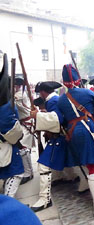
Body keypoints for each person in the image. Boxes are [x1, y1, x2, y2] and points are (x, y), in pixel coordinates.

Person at [30, 64, 94, 219]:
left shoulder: (61, 99)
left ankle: (85, 186)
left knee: (85, 162)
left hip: (72, 133)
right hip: (87, 130)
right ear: (77, 79)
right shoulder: (86, 93)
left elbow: (61, 119)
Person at [30, 81, 67, 212]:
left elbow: (58, 119)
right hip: (62, 136)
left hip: (60, 137)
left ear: (43, 92)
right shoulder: (55, 100)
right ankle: (72, 179)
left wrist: (38, 115)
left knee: (44, 165)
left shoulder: (52, 101)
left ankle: (45, 199)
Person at [0, 53, 24, 197]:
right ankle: (9, 205)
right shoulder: (5, 107)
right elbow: (11, 132)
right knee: (16, 173)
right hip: (6, 143)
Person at [14, 74, 35, 185]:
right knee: (24, 149)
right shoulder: (19, 94)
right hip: (24, 123)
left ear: (18, 86)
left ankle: (28, 173)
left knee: (24, 149)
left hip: (26, 123)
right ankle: (28, 171)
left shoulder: (19, 95)